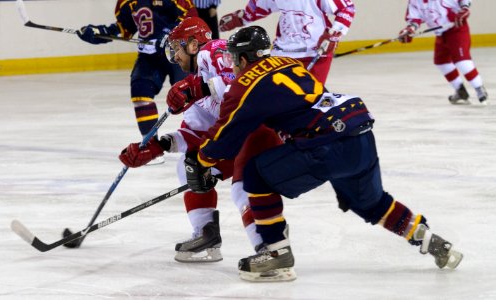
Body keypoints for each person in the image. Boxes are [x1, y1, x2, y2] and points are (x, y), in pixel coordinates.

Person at [183, 26, 464, 282]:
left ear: (243, 59)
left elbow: (226, 135)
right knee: (371, 203)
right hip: (358, 130)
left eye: (234, 59)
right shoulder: (290, 63)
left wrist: (202, 160)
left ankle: (277, 256)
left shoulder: (245, 85)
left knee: (256, 175)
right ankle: (429, 239)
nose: (233, 65)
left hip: (327, 144)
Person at [118, 17, 282, 262]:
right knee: (189, 167)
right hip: (237, 138)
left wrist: (199, 87)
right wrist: (157, 146)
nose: (175, 56)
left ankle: (271, 252)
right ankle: (207, 235)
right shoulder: (195, 77)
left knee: (244, 188)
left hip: (262, 131)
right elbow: (195, 133)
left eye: (177, 48)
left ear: (193, 45)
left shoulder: (214, 51)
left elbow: (243, 85)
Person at [77, 0, 197, 139]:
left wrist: (169, 35)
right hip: (149, 57)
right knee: (140, 92)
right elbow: (124, 29)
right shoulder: (126, 3)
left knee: (191, 96)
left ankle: (200, 141)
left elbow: (191, 19)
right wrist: (99, 33)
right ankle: (151, 145)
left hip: (178, 53)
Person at [218, 0, 355, 84]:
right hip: (282, 53)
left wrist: (334, 33)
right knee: (276, 97)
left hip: (315, 53)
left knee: (309, 99)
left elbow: (347, 8)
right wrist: (240, 18)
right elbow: (259, 7)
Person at [398, 0, 488, 104]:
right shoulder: (415, 1)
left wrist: (465, 8)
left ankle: (479, 89)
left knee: (461, 60)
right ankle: (460, 91)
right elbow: (414, 19)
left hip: (457, 29)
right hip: (440, 33)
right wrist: (408, 31)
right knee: (441, 61)